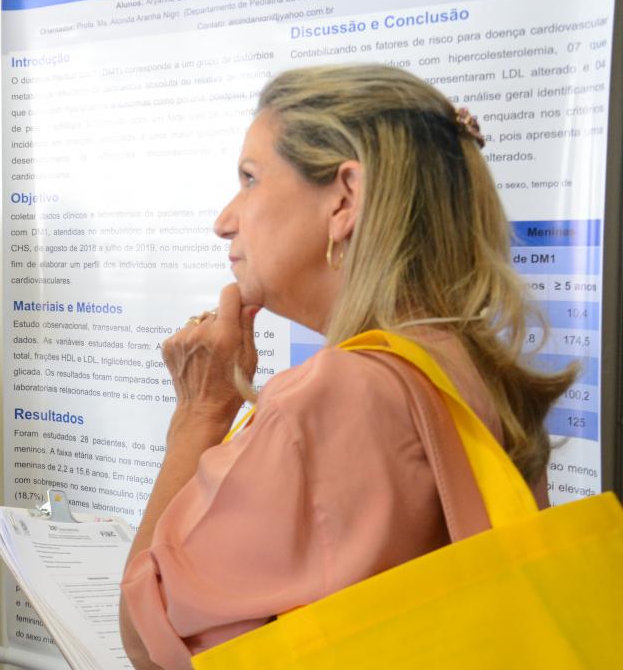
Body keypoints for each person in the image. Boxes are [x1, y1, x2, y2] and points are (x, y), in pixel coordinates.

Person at [118, 64, 577, 670]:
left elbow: (148, 637)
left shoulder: (336, 393)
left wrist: (200, 412)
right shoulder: (471, 367)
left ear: (345, 200)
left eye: (251, 179)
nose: (225, 220)